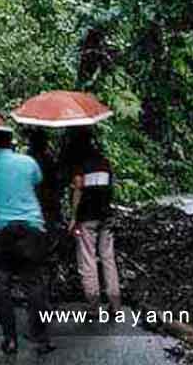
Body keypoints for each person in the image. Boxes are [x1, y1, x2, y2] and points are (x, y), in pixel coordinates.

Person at [0, 130, 55, 355]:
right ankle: (41, 339)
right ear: (12, 142)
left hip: (2, 228)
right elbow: (37, 182)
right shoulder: (28, 161)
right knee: (33, 283)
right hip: (31, 226)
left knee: (2, 284)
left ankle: (10, 339)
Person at [67, 129, 121, 314]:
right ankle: (115, 304)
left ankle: (93, 306)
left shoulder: (80, 164)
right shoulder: (105, 162)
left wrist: (73, 217)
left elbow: (78, 189)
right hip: (106, 215)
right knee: (108, 258)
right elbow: (110, 188)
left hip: (87, 217)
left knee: (87, 259)